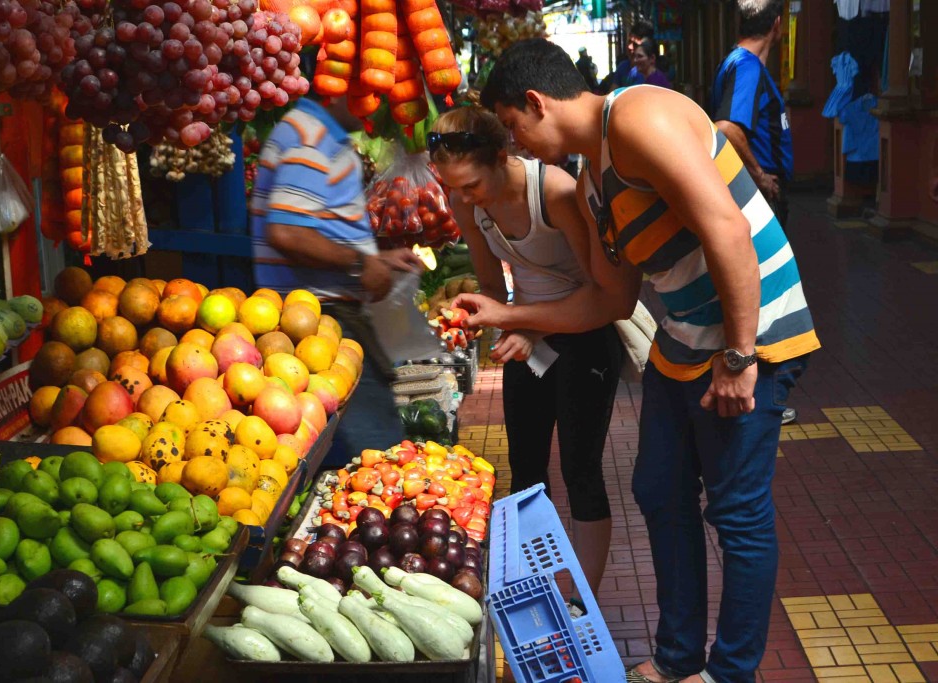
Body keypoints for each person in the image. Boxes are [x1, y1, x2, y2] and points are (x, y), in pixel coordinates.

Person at [457, 38, 819, 683]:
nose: (514, 146)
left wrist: (739, 357)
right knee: (659, 490)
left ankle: (730, 672)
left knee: (737, 513)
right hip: (682, 342)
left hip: (752, 336)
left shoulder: (636, 117)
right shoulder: (594, 176)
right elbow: (610, 302)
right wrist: (507, 315)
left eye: (513, 128)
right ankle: (679, 658)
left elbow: (727, 228)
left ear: (536, 103)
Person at [429, 105, 623, 594]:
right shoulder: (466, 204)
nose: (462, 197)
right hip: (530, 336)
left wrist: (520, 322)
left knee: (581, 469)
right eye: (452, 186)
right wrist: (480, 317)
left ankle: (582, 600)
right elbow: (493, 284)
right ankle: (532, 585)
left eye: (471, 184)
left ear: (501, 156)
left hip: (585, 333)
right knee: (527, 470)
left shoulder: (554, 190)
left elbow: (597, 290)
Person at [249, 94, 423, 464]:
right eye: (369, 92)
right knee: (376, 453)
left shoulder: (319, 134)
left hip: (325, 320)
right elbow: (288, 232)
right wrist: (362, 264)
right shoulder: (309, 136)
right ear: (338, 89)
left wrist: (379, 259)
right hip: (319, 324)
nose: (376, 104)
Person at [710, 0, 795, 425]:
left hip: (754, 195)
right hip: (758, 197)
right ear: (778, 26)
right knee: (764, 295)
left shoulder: (736, 62)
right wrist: (761, 176)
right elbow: (727, 129)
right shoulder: (746, 66)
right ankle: (763, 396)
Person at [608, 17, 654, 89]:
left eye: (635, 44)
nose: (630, 47)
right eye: (629, 42)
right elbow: (612, 94)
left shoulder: (654, 76)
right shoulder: (622, 67)